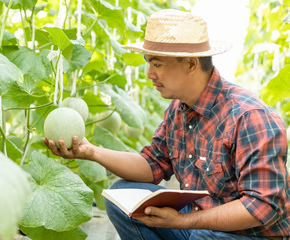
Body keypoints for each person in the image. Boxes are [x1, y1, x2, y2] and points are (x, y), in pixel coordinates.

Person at [43, 9, 290, 240]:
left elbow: (263, 207)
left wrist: (184, 222)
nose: (149, 73)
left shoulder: (249, 116)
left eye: (157, 63)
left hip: (246, 236)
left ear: (191, 64)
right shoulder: (177, 110)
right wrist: (91, 152)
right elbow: (152, 165)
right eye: (148, 62)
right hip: (198, 228)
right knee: (120, 194)